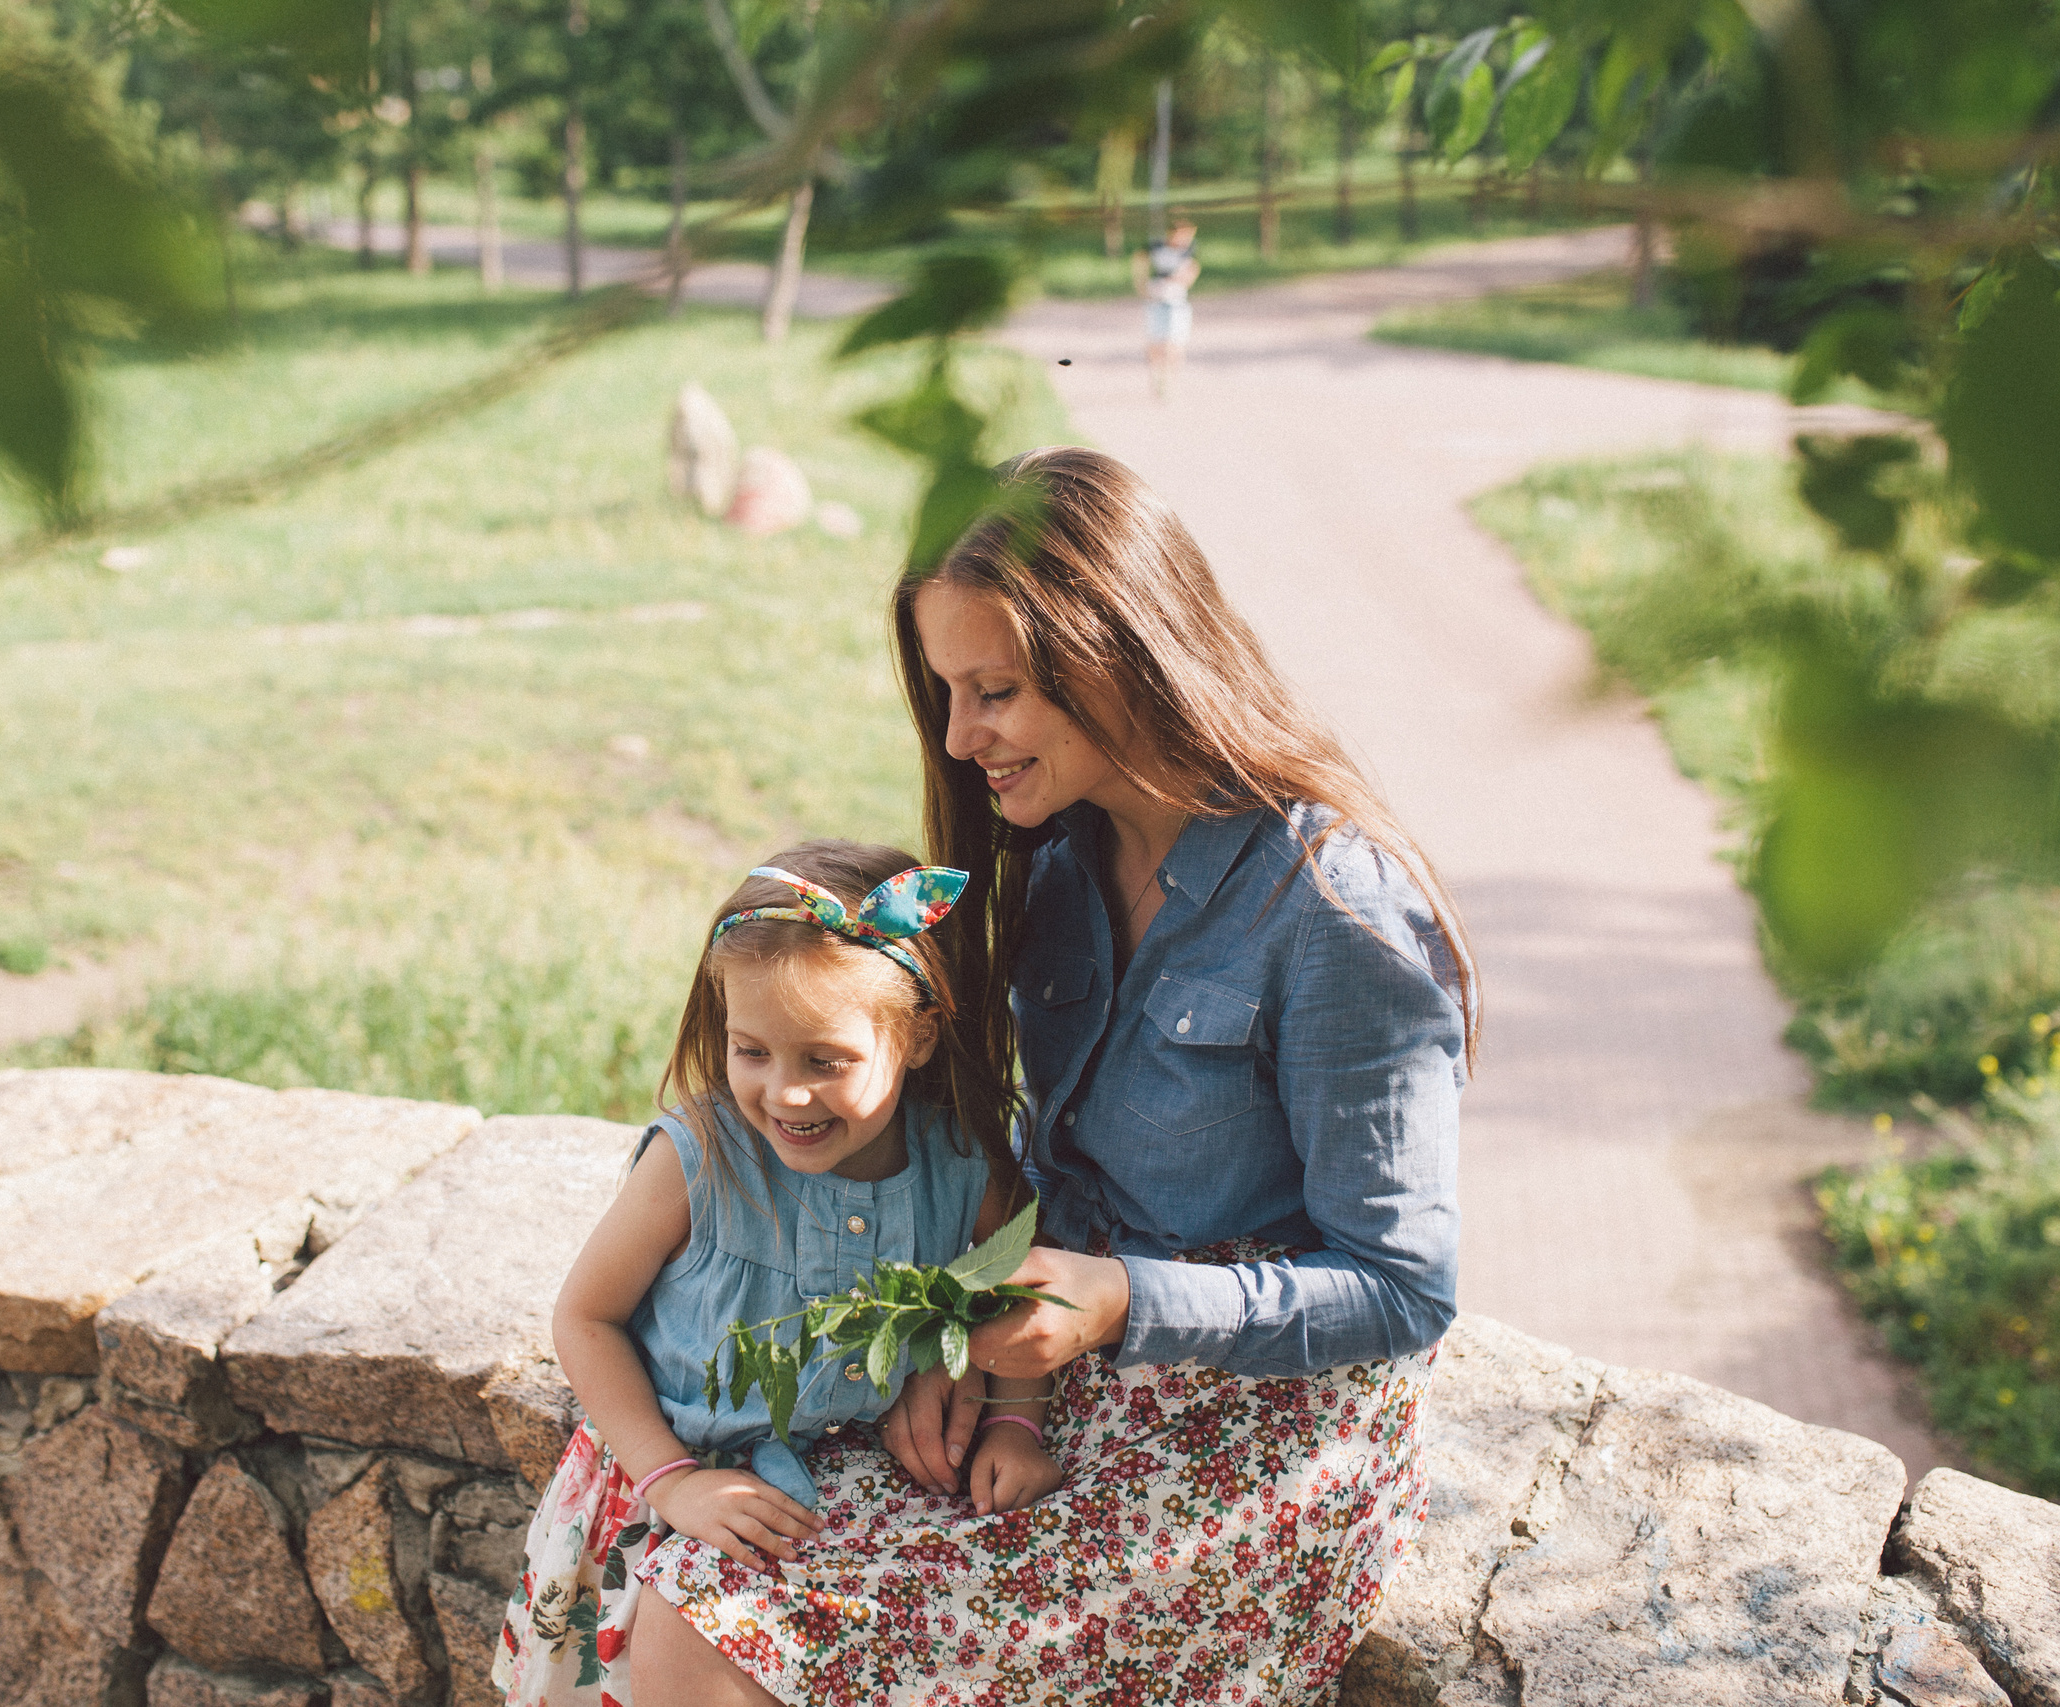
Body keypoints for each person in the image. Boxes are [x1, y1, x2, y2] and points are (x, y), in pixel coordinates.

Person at [635, 445, 1475, 1704]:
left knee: (726, 1633)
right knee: (690, 1587)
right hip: (1058, 1371)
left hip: (1251, 1431)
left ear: (1121, 657)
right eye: (948, 693)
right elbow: (1043, 1171)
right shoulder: (1062, 860)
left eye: (997, 692)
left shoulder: (1334, 913)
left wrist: (1118, 1301)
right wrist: (966, 1348)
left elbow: (1403, 1288)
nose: (959, 737)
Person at [497, 839, 1053, 1707]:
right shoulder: (699, 1159)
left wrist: (1015, 1421)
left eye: (824, 1060)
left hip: (859, 1485)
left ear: (915, 1036)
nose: (785, 1093)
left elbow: (1012, 1288)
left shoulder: (959, 1165)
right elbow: (586, 1317)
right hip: (678, 1476)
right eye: (752, 1050)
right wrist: (674, 1481)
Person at [1138, 216, 1201, 397]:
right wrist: (1142, 285)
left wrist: (1180, 280)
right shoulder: (1158, 248)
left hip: (1176, 301)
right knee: (1155, 343)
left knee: (1175, 344)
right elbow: (1141, 259)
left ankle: (1171, 382)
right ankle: (1157, 377)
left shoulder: (1188, 252)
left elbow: (1192, 271)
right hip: (1157, 301)